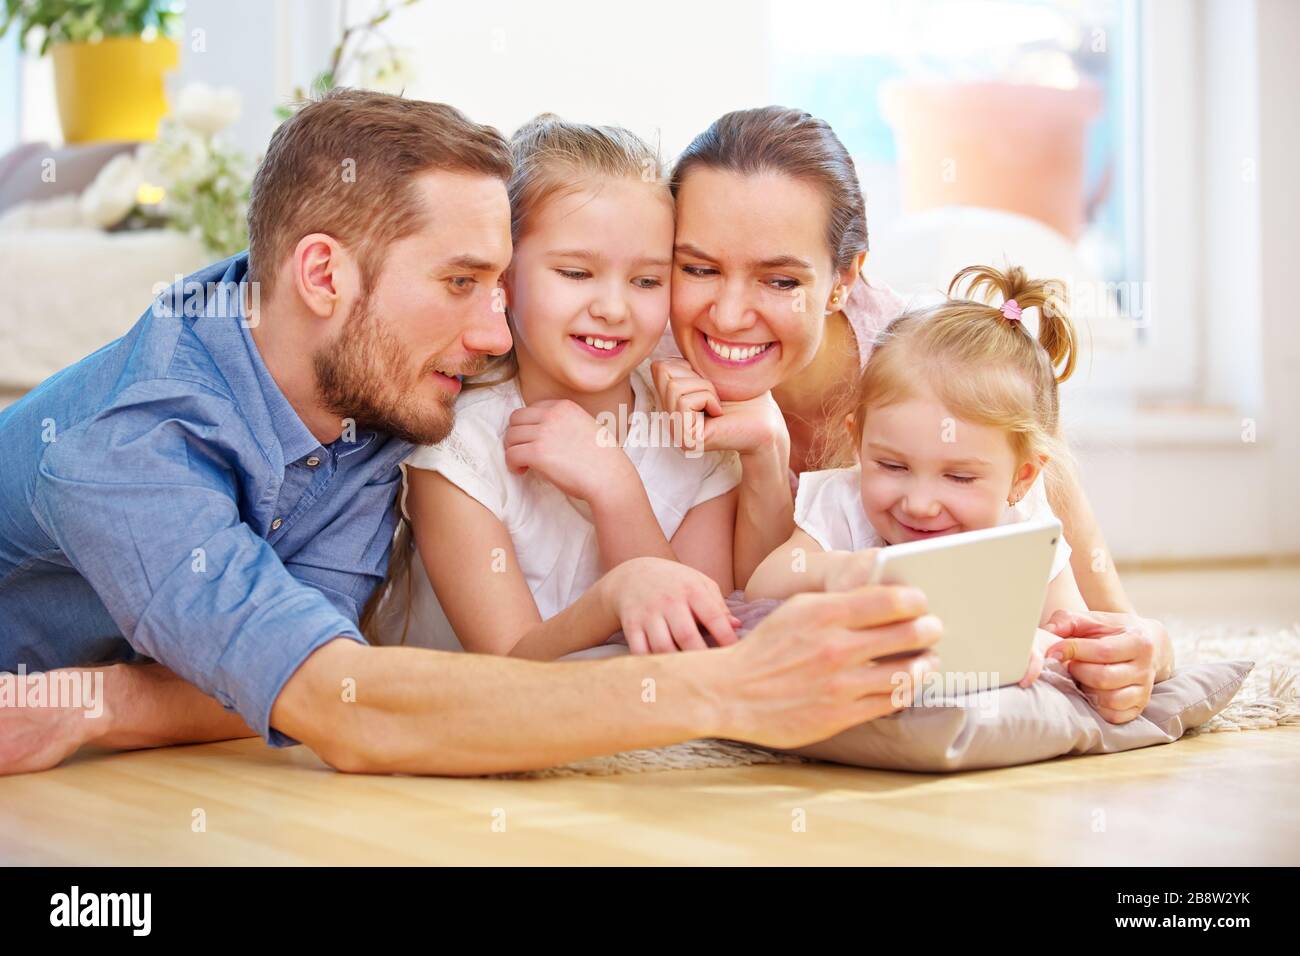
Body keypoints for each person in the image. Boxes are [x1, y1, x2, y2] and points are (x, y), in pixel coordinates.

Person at [0, 90, 941, 777]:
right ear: (322, 276)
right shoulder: (130, 446)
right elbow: (344, 707)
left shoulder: (365, 391)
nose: (494, 335)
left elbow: (301, 667)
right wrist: (736, 689)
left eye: (497, 286)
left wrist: (104, 702)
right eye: (461, 285)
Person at [652, 107, 1173, 720]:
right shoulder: (646, 358)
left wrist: (1150, 650)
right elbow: (719, 619)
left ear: (845, 277)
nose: (731, 314)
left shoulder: (935, 371)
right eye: (699, 268)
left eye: (780, 280)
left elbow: (1106, 619)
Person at [373, 115, 744, 659]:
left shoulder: (693, 429)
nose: (613, 309)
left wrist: (615, 489)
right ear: (504, 278)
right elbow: (510, 675)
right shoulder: (457, 445)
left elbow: (700, 649)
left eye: (646, 281)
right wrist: (617, 596)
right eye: (575, 273)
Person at [747, 264, 1090, 693]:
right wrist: (839, 570)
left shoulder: (1028, 534)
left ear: (1021, 478)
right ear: (858, 441)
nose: (919, 504)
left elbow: (1074, 630)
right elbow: (762, 585)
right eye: (892, 467)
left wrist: (1040, 642)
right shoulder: (845, 505)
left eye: (960, 477)